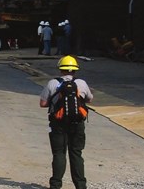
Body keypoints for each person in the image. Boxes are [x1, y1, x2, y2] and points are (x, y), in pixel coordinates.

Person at [40, 55, 93, 189]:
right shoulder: (81, 83)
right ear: (75, 70)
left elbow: (43, 103)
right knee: (76, 153)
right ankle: (81, 185)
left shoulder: (53, 83)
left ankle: (56, 185)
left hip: (58, 123)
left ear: (61, 69)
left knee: (59, 153)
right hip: (77, 123)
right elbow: (89, 99)